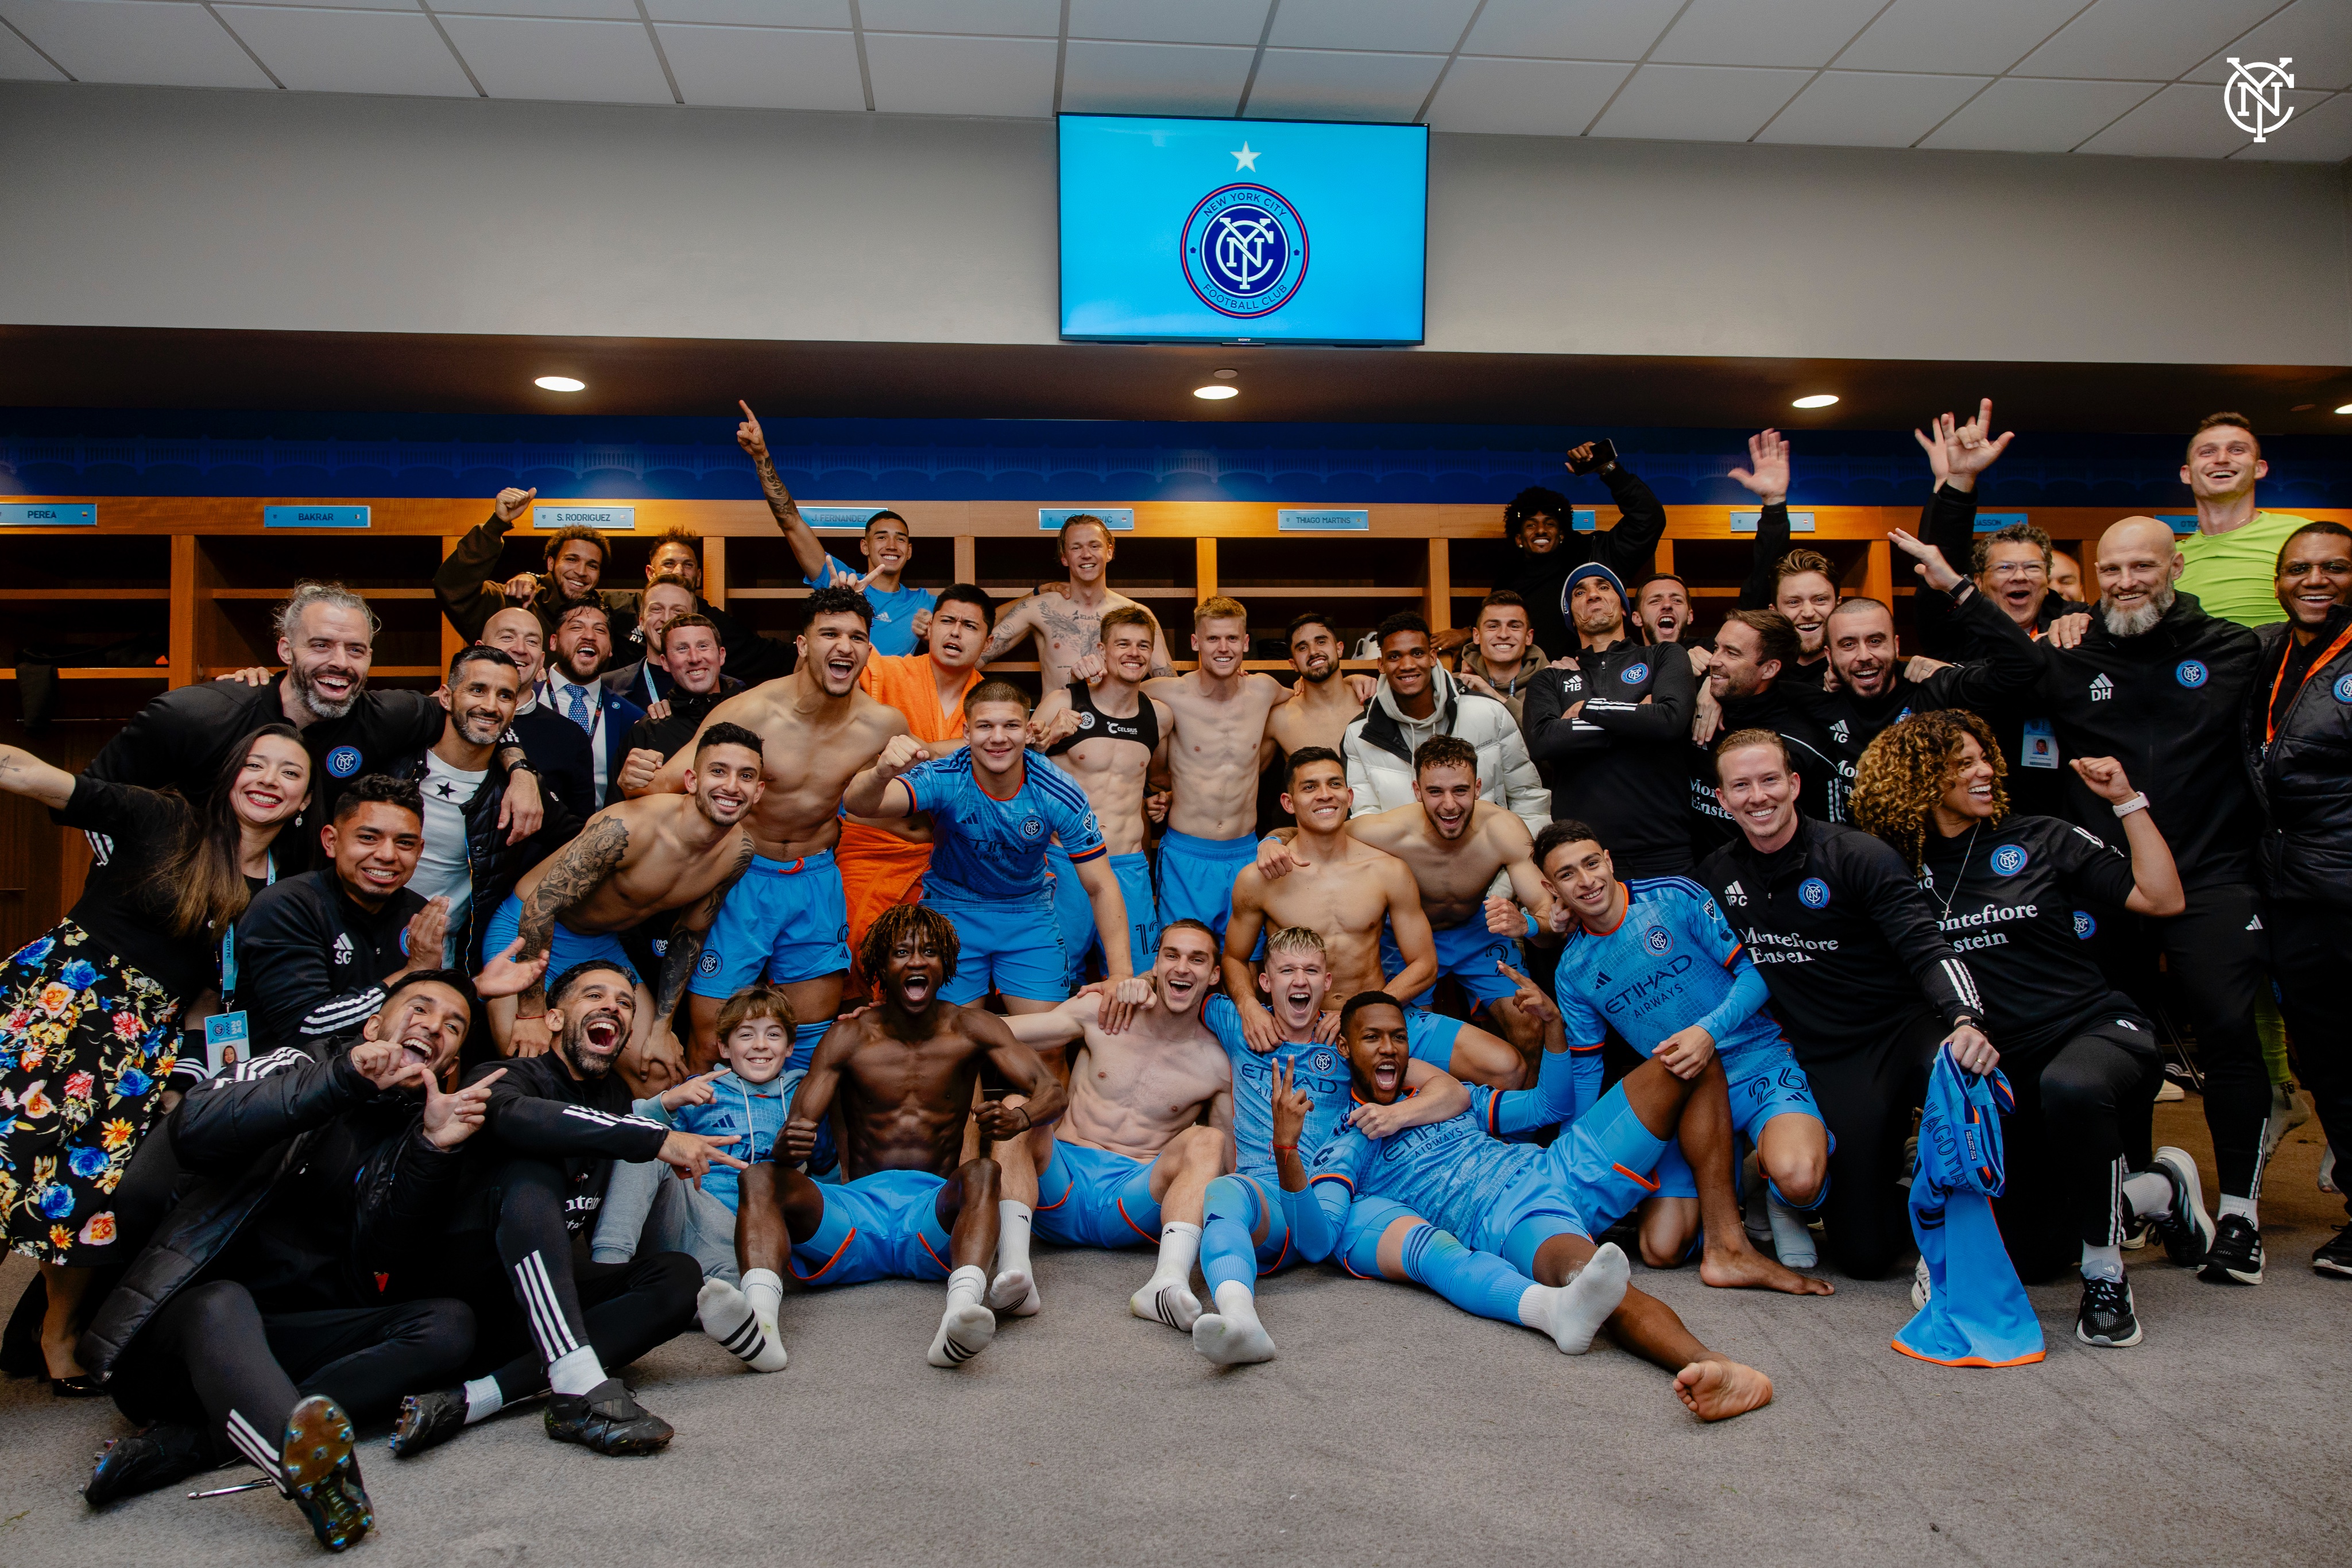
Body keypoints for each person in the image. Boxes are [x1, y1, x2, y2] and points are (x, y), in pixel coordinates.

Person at [76, 971, 521, 1545]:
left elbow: (386, 1256)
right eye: (420, 1007)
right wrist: (343, 1077)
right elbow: (195, 1126)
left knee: (448, 1325)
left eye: (453, 1026)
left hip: (288, 1339)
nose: (434, 1026)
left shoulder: (411, 1131)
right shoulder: (293, 1062)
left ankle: (200, 1442)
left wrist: (432, 1151)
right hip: (179, 1335)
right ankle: (325, 1484)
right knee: (221, 1301)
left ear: (447, 1064)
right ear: (373, 1025)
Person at [1851, 711, 2212, 1345]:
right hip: (2004, 1071)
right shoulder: (1894, 871)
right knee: (2036, 1255)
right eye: (1962, 763)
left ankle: (2106, 1276)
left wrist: (2127, 801)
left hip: (2093, 1030)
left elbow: (2161, 899)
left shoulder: (2040, 837)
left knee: (2071, 1086)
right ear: (1918, 778)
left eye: (1983, 756)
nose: (1985, 770)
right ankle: (2157, 1189)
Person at [0, 726, 311, 1391]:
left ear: (305, 801)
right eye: (256, 765)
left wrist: (186, 1079)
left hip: (141, 1044)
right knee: (8, 1159)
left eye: (289, 773)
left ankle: (58, 1333)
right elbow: (31, 775)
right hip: (60, 1005)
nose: (268, 780)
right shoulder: (166, 820)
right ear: (230, 777)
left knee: (85, 1189)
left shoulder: (283, 893)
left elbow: (209, 1000)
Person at [1299, 992, 1778, 1419]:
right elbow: (1320, 1233)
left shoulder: (1441, 1097)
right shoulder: (1349, 1141)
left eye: (1398, 1037)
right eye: (1372, 1037)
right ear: (1344, 1048)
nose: (1389, 1048)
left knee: (1688, 1058)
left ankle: (1726, 1243)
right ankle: (1713, 1364)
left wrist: (1553, 1029)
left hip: (1559, 1166)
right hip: (1508, 1218)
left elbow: (1548, 1107)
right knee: (1594, 1283)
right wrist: (1284, 1157)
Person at [2030, 517, 2270, 1283]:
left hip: (2212, 869)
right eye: (2113, 568)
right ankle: (2141, 1187)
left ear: (2174, 567)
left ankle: (2240, 1214)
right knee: (2116, 1037)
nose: (2128, 580)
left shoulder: (2235, 648)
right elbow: (1983, 670)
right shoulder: (2068, 646)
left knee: (2229, 1030)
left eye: (2143, 565)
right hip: (2108, 877)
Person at [388, 961, 732, 1459]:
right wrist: (653, 1137)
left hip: (541, 1315)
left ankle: (479, 1398)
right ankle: (576, 1381)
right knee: (531, 1171)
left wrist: (655, 1117)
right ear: (553, 1018)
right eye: (594, 996)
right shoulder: (505, 1073)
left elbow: (611, 1124)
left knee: (678, 1277)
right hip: (459, 1308)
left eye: (624, 1003)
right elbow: (521, 1117)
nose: (612, 1007)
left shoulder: (614, 1095)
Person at [1697, 729, 1995, 1280]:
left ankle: (1958, 1186)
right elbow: (1663, 928)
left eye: (1769, 781)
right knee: (1864, 1254)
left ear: (1794, 784)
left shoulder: (1856, 854)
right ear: (1723, 798)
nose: (1757, 797)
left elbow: (1927, 946)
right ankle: (1910, 1174)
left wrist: (1964, 1018)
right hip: (1830, 1060)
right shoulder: (1716, 875)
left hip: (1906, 1032)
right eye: (1741, 785)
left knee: (1964, 1073)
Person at [720, 904, 1068, 1368]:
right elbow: (793, 1139)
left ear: (946, 963)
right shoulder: (848, 1038)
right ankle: (760, 1328)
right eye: (902, 952)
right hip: (854, 1213)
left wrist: (1021, 1119)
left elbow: (1052, 1092)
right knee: (761, 1176)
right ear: (882, 965)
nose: (916, 961)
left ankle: (960, 1314)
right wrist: (790, 1146)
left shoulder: (973, 1027)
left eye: (928, 952)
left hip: (931, 1220)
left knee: (984, 1171)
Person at [1536, 820, 1833, 1292]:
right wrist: (1575, 1151)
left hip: (1756, 1062)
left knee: (1799, 1178)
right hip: (1686, 1090)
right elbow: (1588, 1062)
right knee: (1661, 1248)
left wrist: (1706, 1032)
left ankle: (1770, 1192)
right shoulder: (1572, 968)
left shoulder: (1672, 896)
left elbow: (1756, 975)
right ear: (1551, 889)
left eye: (1592, 863)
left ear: (1609, 860)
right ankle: (1735, 1183)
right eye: (1568, 874)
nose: (1587, 881)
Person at [641, 586, 910, 1073]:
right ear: (803, 644)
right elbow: (669, 783)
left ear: (870, 649)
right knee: (709, 1040)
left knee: (808, 1044)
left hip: (815, 882)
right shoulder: (751, 711)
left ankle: (791, 1146)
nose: (844, 646)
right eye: (829, 633)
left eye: (857, 636)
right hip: (740, 878)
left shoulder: (882, 723)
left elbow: (928, 769)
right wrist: (633, 775)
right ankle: (707, 1143)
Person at [79, 581, 541, 850]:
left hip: (285, 924)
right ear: (285, 649)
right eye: (320, 645)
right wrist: (151, 877)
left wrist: (520, 771)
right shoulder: (198, 714)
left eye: (355, 650)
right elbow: (93, 800)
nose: (340, 662)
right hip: (163, 916)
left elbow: (479, 713)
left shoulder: (388, 715)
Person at [1190, 926, 1469, 1363]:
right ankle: (1240, 1321)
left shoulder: (1346, 1044)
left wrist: (1398, 1113)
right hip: (1268, 1195)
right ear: (1266, 981)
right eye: (1286, 970)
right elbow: (1184, 984)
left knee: (1430, 1249)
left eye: (1311, 971)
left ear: (1328, 982)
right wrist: (1245, 1004)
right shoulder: (1240, 1024)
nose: (1299, 980)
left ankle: (1541, 1300)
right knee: (1223, 1191)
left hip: (1334, 1198)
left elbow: (1451, 1091)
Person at [485, 724, 767, 1090]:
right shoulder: (627, 828)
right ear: (692, 780)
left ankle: (631, 1147)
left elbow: (689, 935)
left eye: (746, 776)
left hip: (600, 945)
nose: (732, 786)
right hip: (527, 933)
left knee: (659, 1071)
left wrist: (663, 1027)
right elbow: (540, 908)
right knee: (530, 1064)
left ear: (758, 791)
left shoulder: (739, 852)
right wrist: (531, 1011)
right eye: (718, 771)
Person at [1224, 748, 1522, 1089]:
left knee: (1506, 1067)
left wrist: (1365, 1010)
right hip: (1303, 1023)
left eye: (1334, 784)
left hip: (1379, 1009)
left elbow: (1424, 965)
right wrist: (1249, 1007)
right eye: (1310, 787)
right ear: (1288, 803)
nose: (1325, 794)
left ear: (1349, 797)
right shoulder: (1259, 878)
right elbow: (1235, 957)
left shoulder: (1388, 871)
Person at [991, 923, 1229, 1324]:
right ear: (1156, 964)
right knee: (1018, 1106)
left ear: (1215, 974)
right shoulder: (1102, 1012)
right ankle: (1015, 1271)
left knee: (1208, 1140)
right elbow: (1004, 1032)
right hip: (1060, 1183)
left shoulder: (1216, 1064)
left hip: (1131, 1201)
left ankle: (1167, 1283)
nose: (1182, 967)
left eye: (1197, 958)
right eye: (1172, 955)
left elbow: (1227, 1166)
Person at [842, 682, 1130, 1013]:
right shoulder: (945, 776)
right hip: (952, 911)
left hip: (1028, 913)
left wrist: (1120, 974)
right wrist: (880, 774)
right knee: (949, 1041)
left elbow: (1100, 884)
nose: (997, 737)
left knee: (1048, 1041)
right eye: (984, 726)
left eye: (1010, 726)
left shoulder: (1058, 791)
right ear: (966, 733)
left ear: (1029, 730)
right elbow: (858, 805)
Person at [2245, 521, 2352, 1276]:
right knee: (2327, 1055)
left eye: (2335, 568)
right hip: (2293, 888)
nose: (2316, 580)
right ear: (2279, 580)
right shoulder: (2267, 651)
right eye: (2301, 569)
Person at [229, 776, 517, 1050]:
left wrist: (474, 987)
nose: (388, 855)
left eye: (405, 843)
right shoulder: (288, 905)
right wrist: (412, 973)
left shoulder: (416, 912)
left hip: (375, 1084)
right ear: (331, 841)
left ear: (419, 851)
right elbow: (306, 1027)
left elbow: (421, 1018)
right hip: (282, 1086)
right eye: (369, 838)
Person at [1784, 531, 2043, 824]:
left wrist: (1955, 586)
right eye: (1848, 645)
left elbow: (2025, 665)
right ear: (1829, 657)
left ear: (1896, 645)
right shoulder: (1814, 702)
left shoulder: (1935, 689)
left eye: (1875, 641)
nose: (1864, 655)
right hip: (1853, 860)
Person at [1909, 399, 2082, 818]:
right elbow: (1939, 562)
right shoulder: (1956, 631)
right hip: (1972, 812)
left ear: (2046, 578)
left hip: (2063, 809)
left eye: (2032, 568)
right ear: (1980, 581)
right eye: (2005, 568)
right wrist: (1961, 480)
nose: (2019, 577)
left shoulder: (2077, 627)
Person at [591, 981, 799, 1289]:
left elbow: (827, 1167)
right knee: (648, 1138)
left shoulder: (801, 1094)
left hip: (750, 1231)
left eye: (773, 1034)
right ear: (724, 1047)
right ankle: (606, 1271)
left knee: (734, 1292)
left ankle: (687, 1301)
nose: (760, 1045)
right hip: (689, 1209)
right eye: (746, 1034)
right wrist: (667, 1102)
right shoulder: (700, 1089)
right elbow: (625, 1132)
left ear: (790, 1047)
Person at [836, 584, 991, 990]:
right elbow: (819, 684)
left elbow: (1007, 757)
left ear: (987, 640)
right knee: (859, 953)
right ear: (929, 627)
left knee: (948, 967)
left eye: (969, 626)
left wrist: (926, 748)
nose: (956, 633)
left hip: (950, 857)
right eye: (947, 621)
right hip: (874, 845)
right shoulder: (885, 671)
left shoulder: (991, 701)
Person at [386, 647, 577, 970]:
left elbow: (584, 842)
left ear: (515, 709)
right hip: (364, 950)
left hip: (449, 968)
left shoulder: (520, 790)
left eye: (504, 696)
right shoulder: (393, 761)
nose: (490, 706)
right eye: (477, 690)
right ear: (446, 697)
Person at [1521, 563, 1697, 877]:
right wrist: (1637, 717)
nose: (1592, 595)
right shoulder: (1549, 679)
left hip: (1666, 851)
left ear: (1624, 607)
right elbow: (1543, 740)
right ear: (1569, 613)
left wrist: (1588, 709)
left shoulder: (1663, 657)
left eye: (1603, 587)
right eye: (1580, 592)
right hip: (1582, 859)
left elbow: (1670, 721)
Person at [1034, 606, 1172, 989]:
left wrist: (1155, 798)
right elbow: (1013, 771)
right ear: (1102, 649)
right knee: (1057, 981)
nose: (1134, 653)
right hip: (1068, 862)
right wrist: (1048, 739)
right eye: (1123, 643)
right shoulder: (1063, 702)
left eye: (1144, 645)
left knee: (1140, 981)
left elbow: (1155, 775)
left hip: (1129, 864)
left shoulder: (1159, 715)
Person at [734, 401, 938, 657]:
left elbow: (978, 617)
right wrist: (761, 456)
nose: (891, 545)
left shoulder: (923, 602)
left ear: (909, 551)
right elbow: (790, 521)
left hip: (885, 697)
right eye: (881, 537)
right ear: (864, 546)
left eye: (900, 539)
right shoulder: (842, 581)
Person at [1143, 598, 1293, 942]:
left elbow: (1309, 693)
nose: (1223, 648)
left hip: (1246, 852)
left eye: (1231, 639)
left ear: (1245, 643)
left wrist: (1355, 680)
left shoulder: (1265, 689)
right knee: (1182, 958)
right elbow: (1111, 700)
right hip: (1186, 854)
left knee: (1247, 961)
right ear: (1196, 643)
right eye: (1212, 639)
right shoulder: (1169, 693)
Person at [1434, 442, 1668, 661]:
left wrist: (1608, 469)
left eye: (1550, 523)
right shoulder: (1510, 576)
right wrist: (1467, 633)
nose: (1541, 530)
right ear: (1519, 538)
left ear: (1563, 533)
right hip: (1535, 681)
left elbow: (1649, 518)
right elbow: (1500, 619)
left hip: (1597, 674)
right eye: (1530, 525)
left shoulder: (1593, 554)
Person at [1343, 611, 1548, 833]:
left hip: (1492, 860)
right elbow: (1365, 819)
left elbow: (1528, 798)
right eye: (1394, 657)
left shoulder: (1489, 713)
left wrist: (1525, 856)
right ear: (1381, 665)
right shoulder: (1359, 734)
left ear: (1432, 657)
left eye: (1417, 653)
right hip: (1404, 863)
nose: (1408, 665)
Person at [1685, 609, 1840, 852]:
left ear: (1769, 669)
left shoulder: (1803, 744)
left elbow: (1833, 839)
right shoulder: (1692, 708)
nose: (1714, 661)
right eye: (1717, 648)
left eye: (1732, 653)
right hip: (1699, 877)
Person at [980, 514, 1176, 691]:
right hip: (1055, 724)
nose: (1086, 554)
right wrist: (1033, 594)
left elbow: (1169, 686)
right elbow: (974, 652)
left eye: (1094, 546)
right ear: (1065, 557)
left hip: (1113, 728)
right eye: (1076, 547)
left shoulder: (1137, 614)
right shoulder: (1039, 608)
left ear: (1109, 552)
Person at [433, 486, 637, 647]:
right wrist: (497, 524)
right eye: (572, 560)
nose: (581, 572)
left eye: (592, 565)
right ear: (551, 563)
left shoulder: (605, 614)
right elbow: (452, 585)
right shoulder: (511, 601)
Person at [2174, 413, 2318, 628]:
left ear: (2259, 468)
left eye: (2237, 450)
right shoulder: (2172, 557)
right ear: (2186, 474)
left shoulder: (2304, 535)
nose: (2221, 459)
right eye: (2207, 452)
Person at [1725, 431, 1833, 686]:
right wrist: (1774, 504)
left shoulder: (1861, 673)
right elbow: (1763, 574)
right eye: (1793, 602)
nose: (1808, 612)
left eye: (1820, 599)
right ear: (1775, 611)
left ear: (1838, 604)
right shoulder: (1760, 680)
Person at [479, 605, 597, 822]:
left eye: (532, 641)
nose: (521, 649)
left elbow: (581, 830)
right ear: (480, 649)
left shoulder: (570, 736)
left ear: (542, 660)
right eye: (507, 637)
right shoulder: (448, 719)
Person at [632, 528, 789, 687]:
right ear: (650, 573)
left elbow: (773, 657)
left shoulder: (718, 624)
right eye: (669, 564)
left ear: (699, 577)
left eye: (688, 565)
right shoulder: (623, 610)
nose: (679, 571)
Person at [540, 602, 645, 808]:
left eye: (600, 630)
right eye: (577, 627)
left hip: (599, 835)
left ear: (610, 650)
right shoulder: (523, 702)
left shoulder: (630, 718)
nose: (589, 636)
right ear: (553, 642)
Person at [610, 614, 733, 788]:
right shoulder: (647, 732)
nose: (695, 658)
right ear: (665, 662)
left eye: (703, 646)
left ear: (721, 655)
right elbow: (620, 809)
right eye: (682, 649)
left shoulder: (753, 715)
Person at [1267, 611, 1375, 759]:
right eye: (1303, 648)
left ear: (1339, 649)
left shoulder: (1373, 704)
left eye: (1321, 642)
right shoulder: (1279, 720)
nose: (1314, 652)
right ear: (1293, 664)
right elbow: (1243, 774)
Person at [1450, 591, 1550, 729]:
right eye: (1493, 626)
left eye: (1514, 626)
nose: (1503, 634)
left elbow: (1547, 737)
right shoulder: (1453, 685)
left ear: (1529, 637)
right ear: (1477, 636)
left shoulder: (1550, 685)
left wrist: (1494, 697)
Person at [601, 575, 702, 711]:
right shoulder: (607, 686)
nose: (666, 619)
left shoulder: (723, 688)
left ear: (694, 623)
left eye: (678, 611)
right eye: (657, 609)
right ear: (641, 622)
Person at [1632, 575, 1693, 646]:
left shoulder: (1708, 652)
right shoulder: (1628, 657)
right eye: (1655, 601)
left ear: (1689, 616)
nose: (1667, 605)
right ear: (1637, 618)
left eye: (1677, 600)